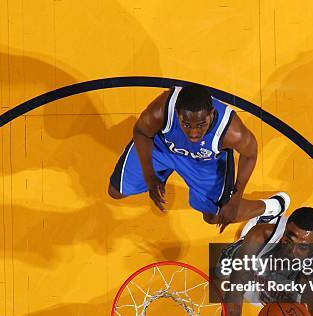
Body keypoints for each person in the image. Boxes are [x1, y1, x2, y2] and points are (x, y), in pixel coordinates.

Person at [108, 83, 283, 232]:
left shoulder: (232, 132)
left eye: (201, 125)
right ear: (177, 113)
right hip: (163, 148)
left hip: (205, 162)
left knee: (214, 216)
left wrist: (235, 199)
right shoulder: (161, 110)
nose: (193, 133)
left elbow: (250, 155)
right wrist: (149, 176)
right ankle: (162, 172)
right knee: (115, 191)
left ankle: (273, 206)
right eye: (186, 124)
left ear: (211, 114)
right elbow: (141, 132)